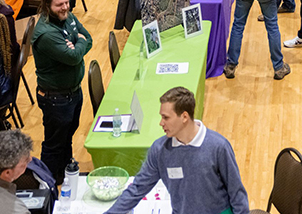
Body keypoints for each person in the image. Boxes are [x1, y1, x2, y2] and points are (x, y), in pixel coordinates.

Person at [104, 87, 250, 214]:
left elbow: (237, 194)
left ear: (184, 117)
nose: (161, 123)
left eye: (165, 117)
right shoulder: (159, 150)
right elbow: (137, 189)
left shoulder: (218, 147)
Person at [31, 0, 93, 183]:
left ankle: (63, 175)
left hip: (72, 93)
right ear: (47, 6)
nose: (65, 7)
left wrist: (78, 44)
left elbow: (89, 38)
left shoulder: (68, 18)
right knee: (54, 144)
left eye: (66, 2)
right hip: (56, 99)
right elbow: (74, 56)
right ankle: (46, 184)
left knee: (66, 137)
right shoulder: (47, 33)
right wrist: (79, 43)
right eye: (59, 4)